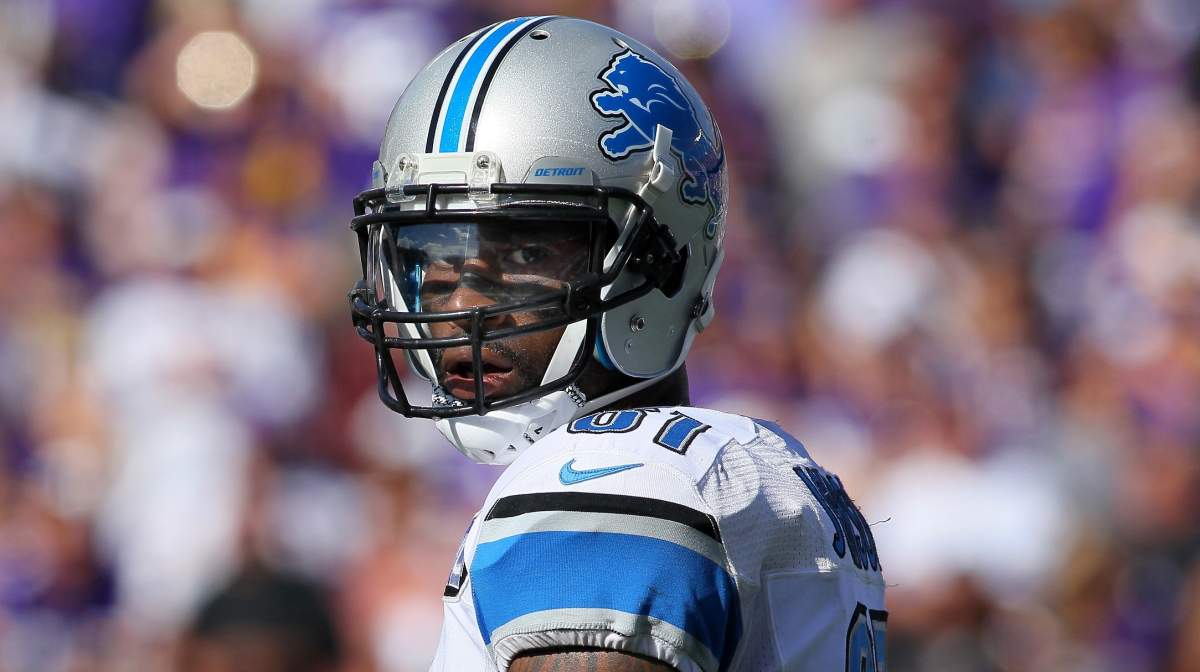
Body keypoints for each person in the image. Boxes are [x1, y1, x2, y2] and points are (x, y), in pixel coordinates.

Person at [347, 16, 886, 672]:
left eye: (522, 255)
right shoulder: (760, 464)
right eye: (430, 260)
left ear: (658, 264)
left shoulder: (606, 479)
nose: (459, 309)